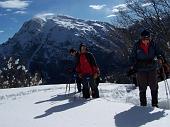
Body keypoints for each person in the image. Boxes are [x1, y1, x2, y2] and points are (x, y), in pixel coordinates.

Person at [129, 30, 165, 107]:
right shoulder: (137, 46)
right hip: (141, 69)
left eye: (147, 38)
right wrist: (133, 66)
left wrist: (160, 57)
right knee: (142, 87)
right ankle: (143, 105)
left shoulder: (153, 44)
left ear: (150, 38)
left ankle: (155, 104)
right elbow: (132, 57)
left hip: (152, 68)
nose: (146, 40)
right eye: (144, 38)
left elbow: (159, 52)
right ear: (141, 38)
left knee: (154, 86)